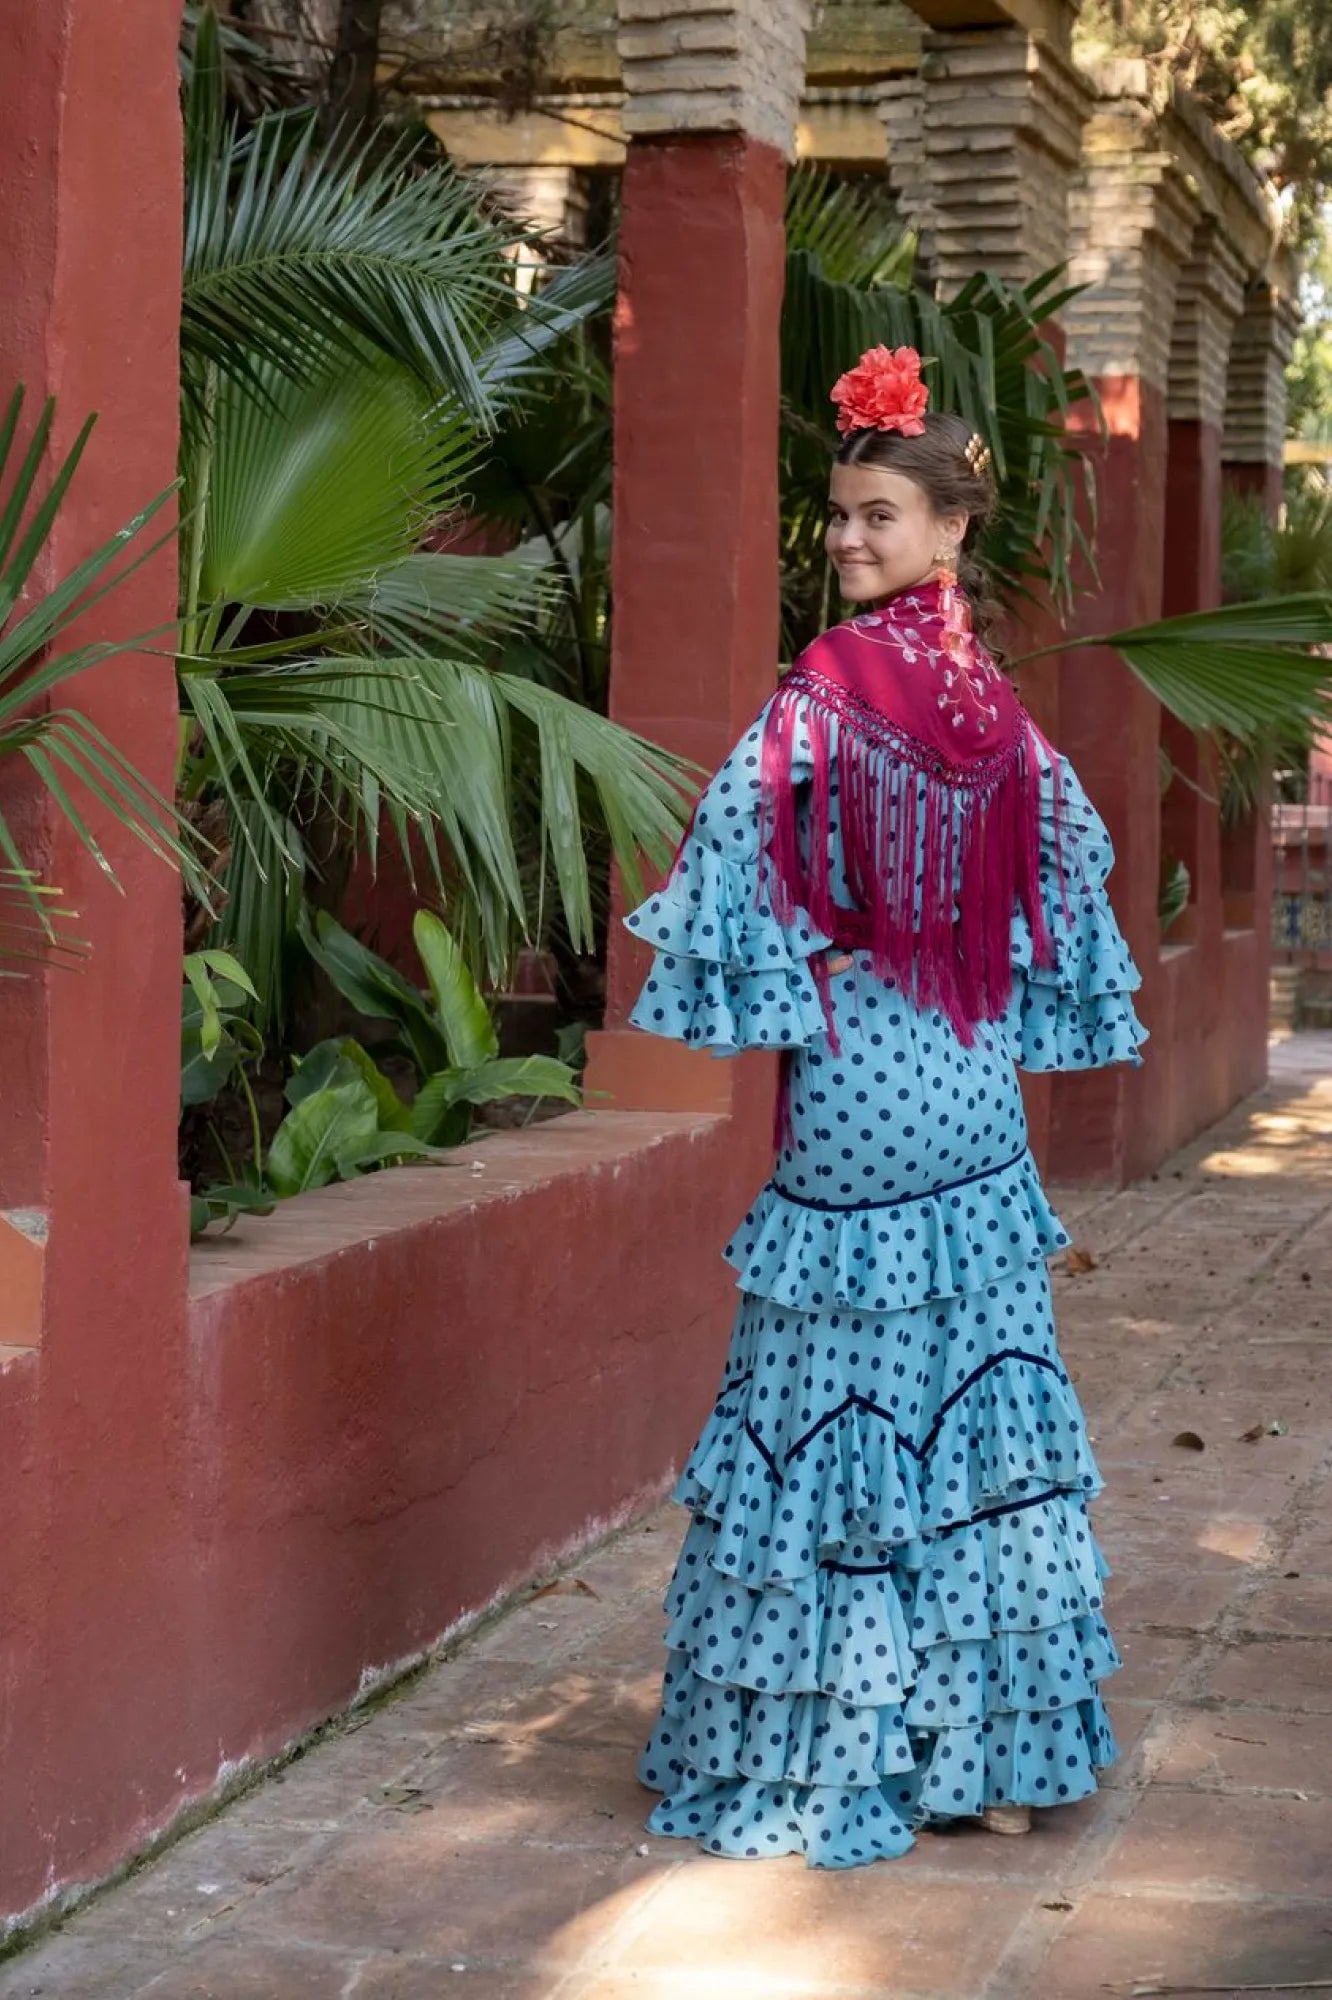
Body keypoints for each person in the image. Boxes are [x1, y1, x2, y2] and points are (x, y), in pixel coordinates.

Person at [620, 344, 1148, 1869]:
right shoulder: (990, 701)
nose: (846, 540)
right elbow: (1072, 862)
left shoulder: (823, 695)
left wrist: (815, 957)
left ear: (947, 529)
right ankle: (980, 1752)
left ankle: (826, 1750)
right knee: (975, 1401)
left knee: (832, 1416)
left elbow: (730, 852)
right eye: (838, 516)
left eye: (872, 517)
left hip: (859, 1092)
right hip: (975, 1093)